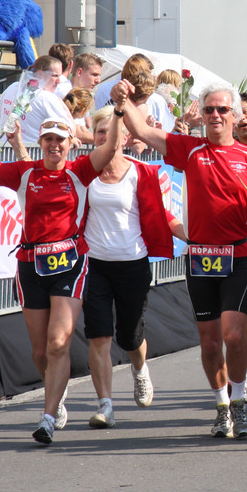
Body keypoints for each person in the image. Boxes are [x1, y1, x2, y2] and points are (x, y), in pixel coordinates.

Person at [111, 77, 247, 439]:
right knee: (211, 342)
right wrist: (123, 102)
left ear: (235, 116)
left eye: (222, 109)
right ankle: (222, 406)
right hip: (199, 258)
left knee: (234, 333)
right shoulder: (190, 149)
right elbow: (141, 131)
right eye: (210, 109)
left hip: (237, 257)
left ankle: (241, 402)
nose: (215, 115)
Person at [0, 97, 125, 444]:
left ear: (70, 143)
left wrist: (117, 113)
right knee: (40, 352)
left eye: (60, 140)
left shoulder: (80, 171)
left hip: (70, 265)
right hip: (30, 266)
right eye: (48, 139)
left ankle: (48, 418)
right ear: (40, 142)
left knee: (58, 342)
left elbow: (111, 146)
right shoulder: (26, 172)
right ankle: (57, 394)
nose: (54, 145)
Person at [78, 106, 180, 428]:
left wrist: (198, 237)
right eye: (99, 132)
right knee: (99, 336)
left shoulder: (142, 173)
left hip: (132, 264)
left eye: (111, 132)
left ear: (124, 138)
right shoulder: (83, 173)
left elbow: (165, 217)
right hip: (95, 266)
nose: (105, 137)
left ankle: (139, 368)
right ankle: (105, 406)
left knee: (129, 337)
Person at [0, 55, 73, 143]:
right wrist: (61, 102)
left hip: (4, 147)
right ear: (40, 74)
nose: (59, 81)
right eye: (55, 76)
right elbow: (69, 129)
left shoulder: (13, 87)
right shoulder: (47, 98)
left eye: (59, 76)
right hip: (30, 149)